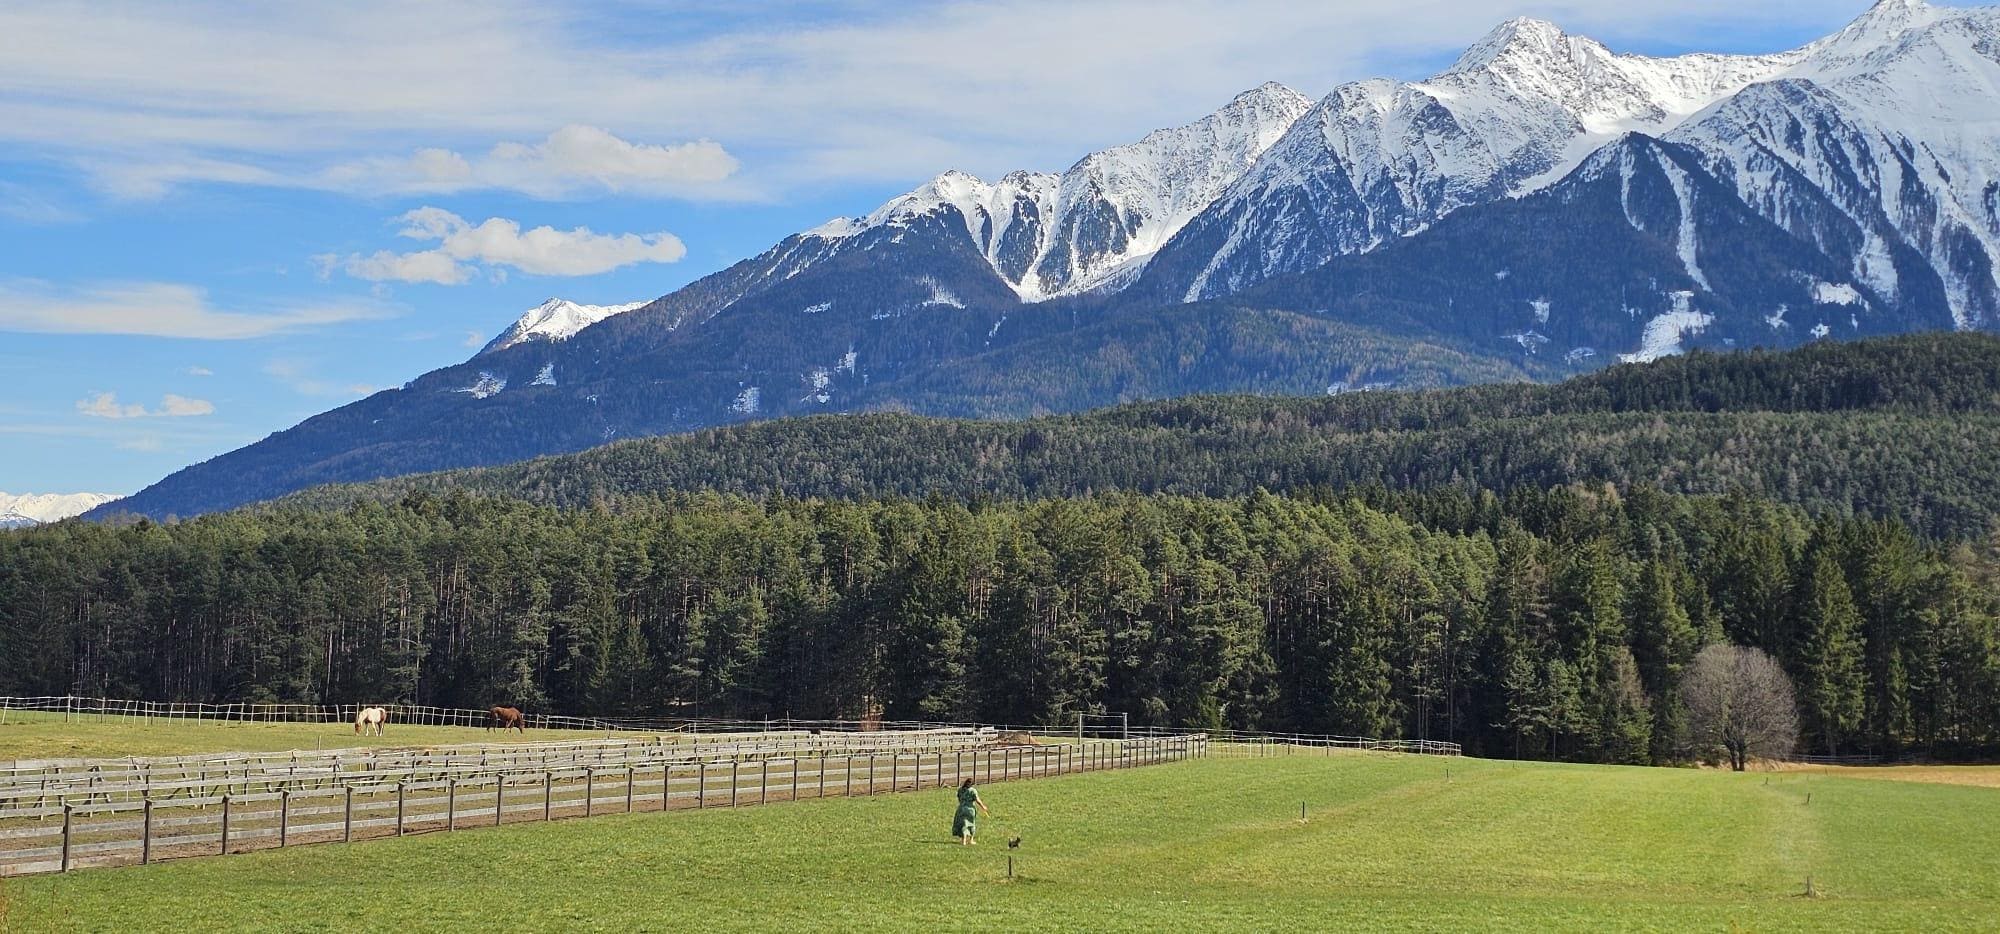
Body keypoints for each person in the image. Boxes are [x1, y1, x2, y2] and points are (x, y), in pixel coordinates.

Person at [953, 778, 990, 845]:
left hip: (961, 809)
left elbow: (959, 798)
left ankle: (963, 840)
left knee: (963, 824)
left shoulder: (960, 790)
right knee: (971, 824)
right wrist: (983, 806)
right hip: (970, 810)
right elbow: (977, 800)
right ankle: (971, 840)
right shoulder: (973, 791)